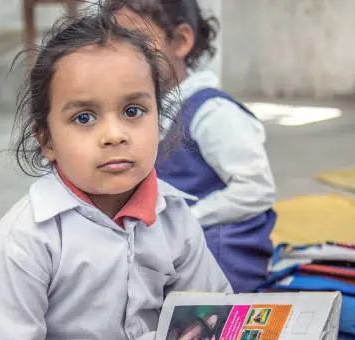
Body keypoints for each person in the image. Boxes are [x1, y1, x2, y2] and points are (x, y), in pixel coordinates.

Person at [0, 4, 231, 340]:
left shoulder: (175, 216)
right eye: (85, 117)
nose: (114, 135)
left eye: (133, 111)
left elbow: (213, 308)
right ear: (47, 140)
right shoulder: (22, 242)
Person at [111, 0, 277, 293]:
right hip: (171, 246)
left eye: (137, 40)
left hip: (222, 252)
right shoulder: (141, 112)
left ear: (181, 41)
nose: (124, 57)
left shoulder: (212, 111)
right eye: (116, 44)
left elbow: (256, 189)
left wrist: (189, 220)